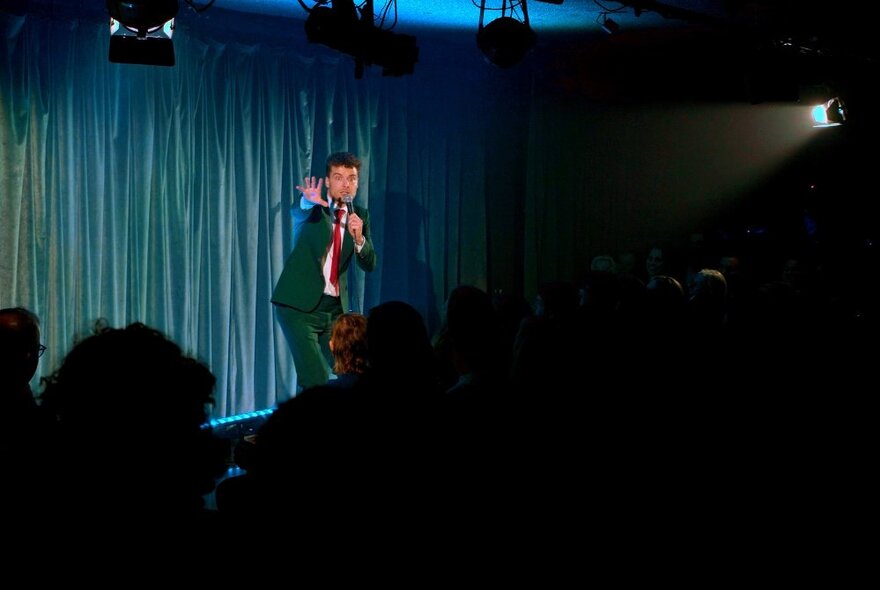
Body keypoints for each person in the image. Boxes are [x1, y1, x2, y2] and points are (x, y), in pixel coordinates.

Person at [271, 152, 378, 393]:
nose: (346, 184)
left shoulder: (360, 216)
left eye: (352, 178)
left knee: (354, 371)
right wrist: (307, 201)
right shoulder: (314, 210)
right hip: (298, 307)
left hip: (333, 310)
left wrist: (359, 237)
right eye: (339, 178)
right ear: (328, 182)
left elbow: (369, 264)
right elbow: (298, 210)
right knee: (316, 377)